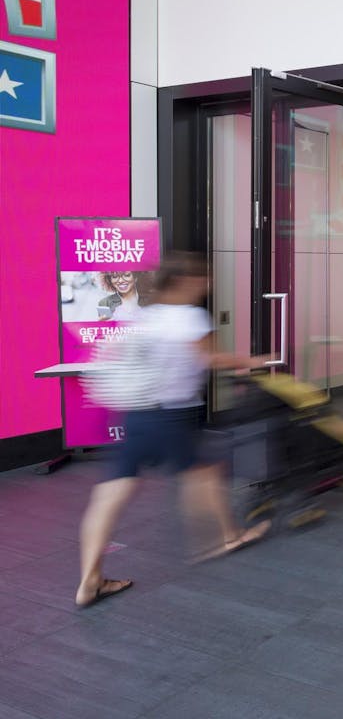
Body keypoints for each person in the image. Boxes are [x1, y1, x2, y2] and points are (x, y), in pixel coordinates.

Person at [74, 253, 270, 608]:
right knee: (204, 473)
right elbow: (210, 358)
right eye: (204, 278)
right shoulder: (193, 317)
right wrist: (250, 362)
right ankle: (227, 536)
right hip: (173, 415)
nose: (208, 284)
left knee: (110, 495)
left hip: (136, 414)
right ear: (186, 282)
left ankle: (90, 579)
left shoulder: (147, 315)